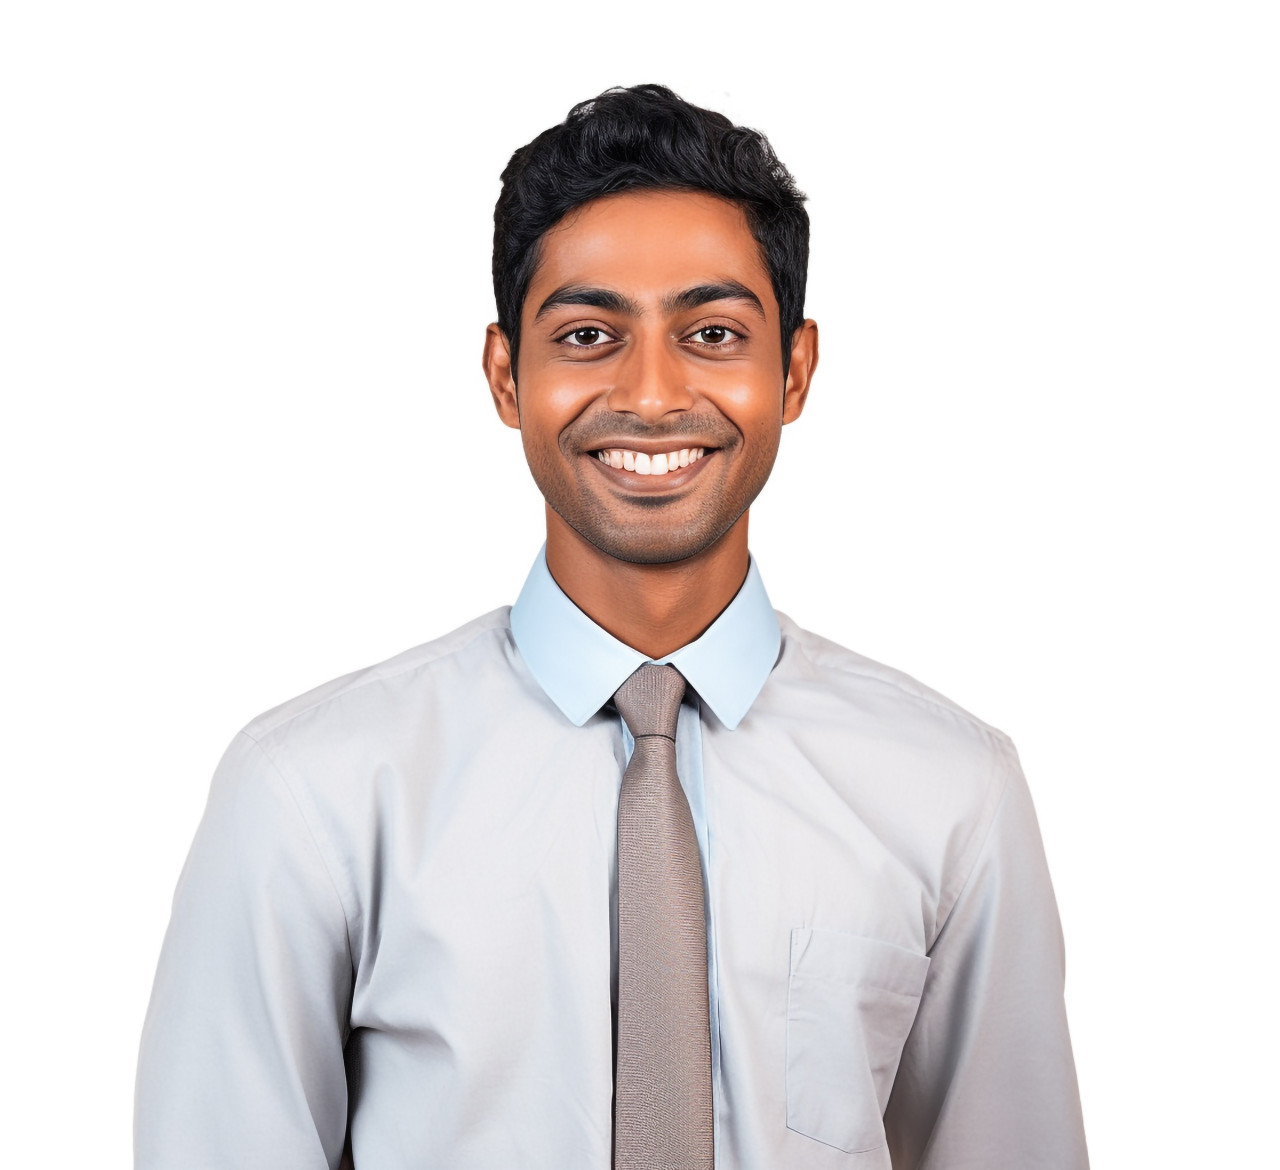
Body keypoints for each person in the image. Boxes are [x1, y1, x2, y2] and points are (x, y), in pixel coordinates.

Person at [135, 84, 1089, 1169]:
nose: (648, 393)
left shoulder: (949, 791)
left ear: (795, 370)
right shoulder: (314, 793)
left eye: (712, 331)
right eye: (588, 334)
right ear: (506, 374)